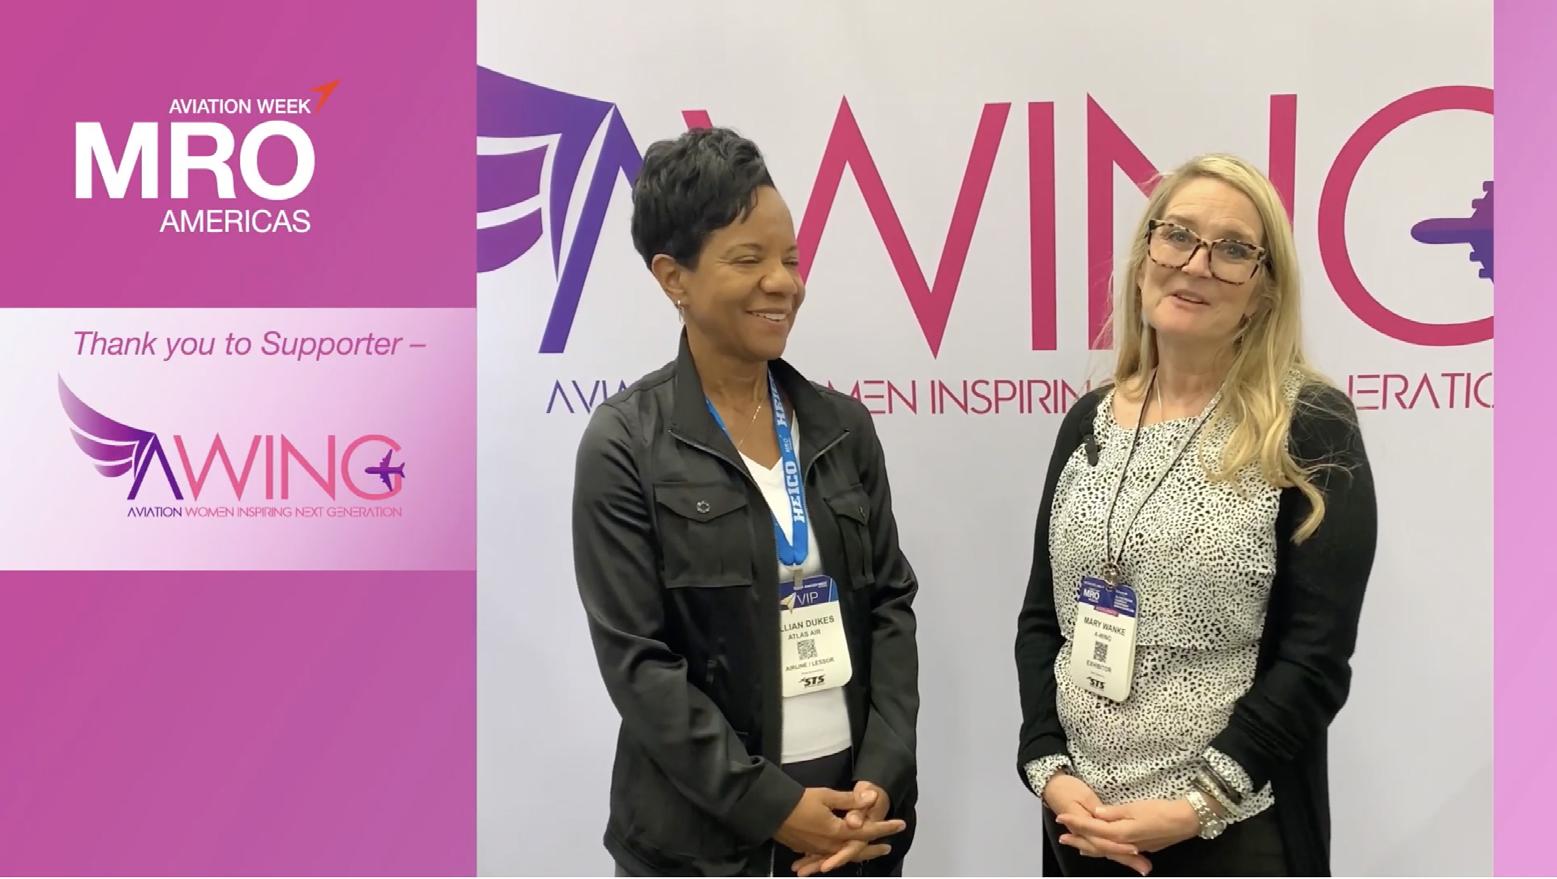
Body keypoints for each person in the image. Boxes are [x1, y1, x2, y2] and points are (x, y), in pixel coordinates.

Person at [1013, 154, 1378, 876]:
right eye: (1176, 235)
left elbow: (1315, 656)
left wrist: (1197, 806)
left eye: (1233, 250)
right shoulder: (1087, 421)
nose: (1195, 264)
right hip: (1083, 821)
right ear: (1144, 255)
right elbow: (1042, 618)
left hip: (1232, 830)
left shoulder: (1308, 425)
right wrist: (1046, 764)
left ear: (1264, 291)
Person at [572, 127, 920, 877]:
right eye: (748, 259)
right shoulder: (625, 443)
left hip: (854, 826)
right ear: (673, 277)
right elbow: (638, 663)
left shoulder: (840, 427)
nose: (782, 283)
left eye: (790, 259)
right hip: (701, 846)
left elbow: (890, 604)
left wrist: (881, 775)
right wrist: (773, 808)